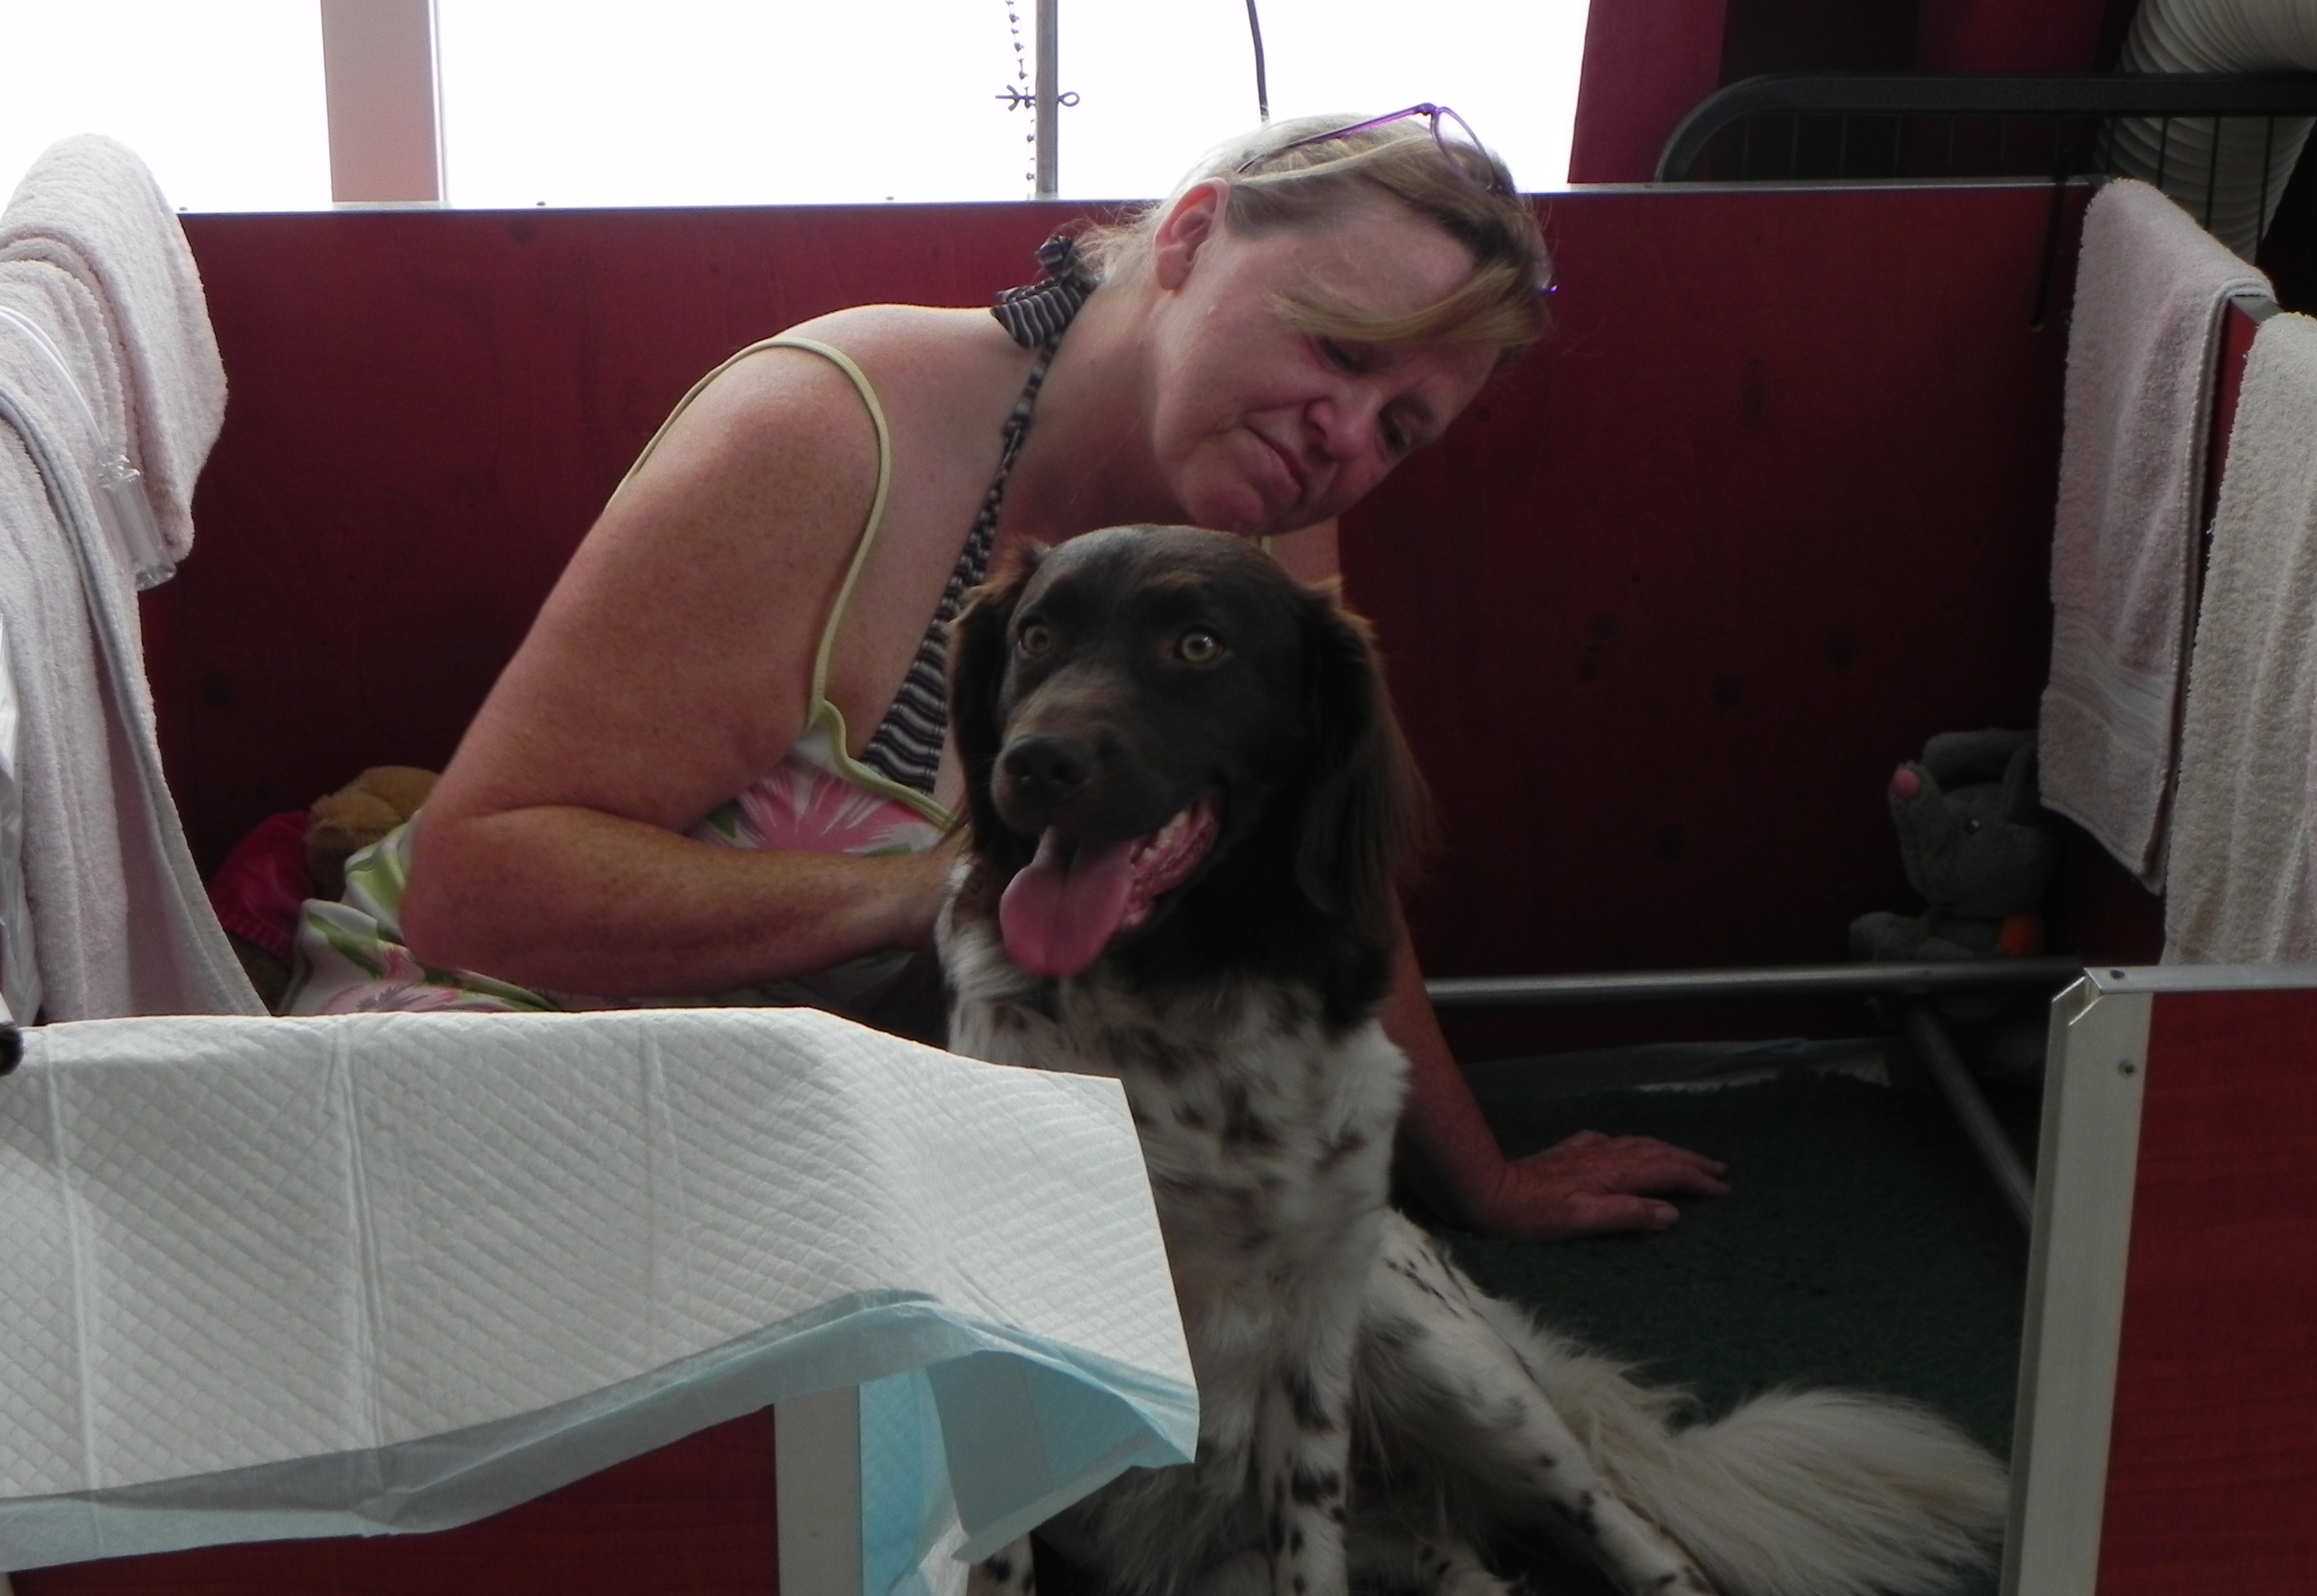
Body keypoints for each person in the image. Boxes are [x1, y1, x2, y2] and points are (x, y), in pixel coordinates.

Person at [288, 106, 1729, 1239]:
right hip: (495, 1054)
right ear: (1192, 238)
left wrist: (1484, 1182)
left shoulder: (1263, 510)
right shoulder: (828, 430)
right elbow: (478, 889)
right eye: (1339, 350)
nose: (1346, 436)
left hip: (836, 1098)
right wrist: (936, 891)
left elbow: (1330, 864)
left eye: (1400, 429)